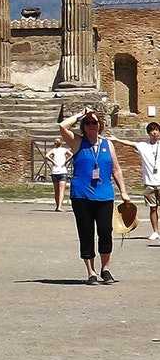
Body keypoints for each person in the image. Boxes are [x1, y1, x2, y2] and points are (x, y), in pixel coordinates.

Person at [59, 108, 131, 285]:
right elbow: (62, 126)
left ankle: (105, 269)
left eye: (94, 122)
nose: (92, 125)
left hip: (105, 195)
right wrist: (81, 115)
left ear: (100, 125)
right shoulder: (77, 143)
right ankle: (90, 272)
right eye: (88, 123)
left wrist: (123, 191)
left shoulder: (108, 144)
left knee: (106, 232)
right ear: (83, 126)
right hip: (81, 196)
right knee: (86, 233)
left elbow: (116, 169)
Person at [108, 121, 160, 240]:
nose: (155, 132)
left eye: (157, 130)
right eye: (152, 130)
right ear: (149, 133)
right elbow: (130, 143)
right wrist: (116, 139)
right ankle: (155, 231)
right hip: (149, 183)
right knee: (153, 208)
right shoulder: (143, 146)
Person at [45, 138, 72, 212]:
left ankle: (58, 206)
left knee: (58, 190)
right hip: (60, 171)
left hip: (58, 171)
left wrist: (53, 161)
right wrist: (66, 161)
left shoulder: (55, 150)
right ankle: (58, 206)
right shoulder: (63, 150)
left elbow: (47, 155)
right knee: (60, 190)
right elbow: (71, 155)